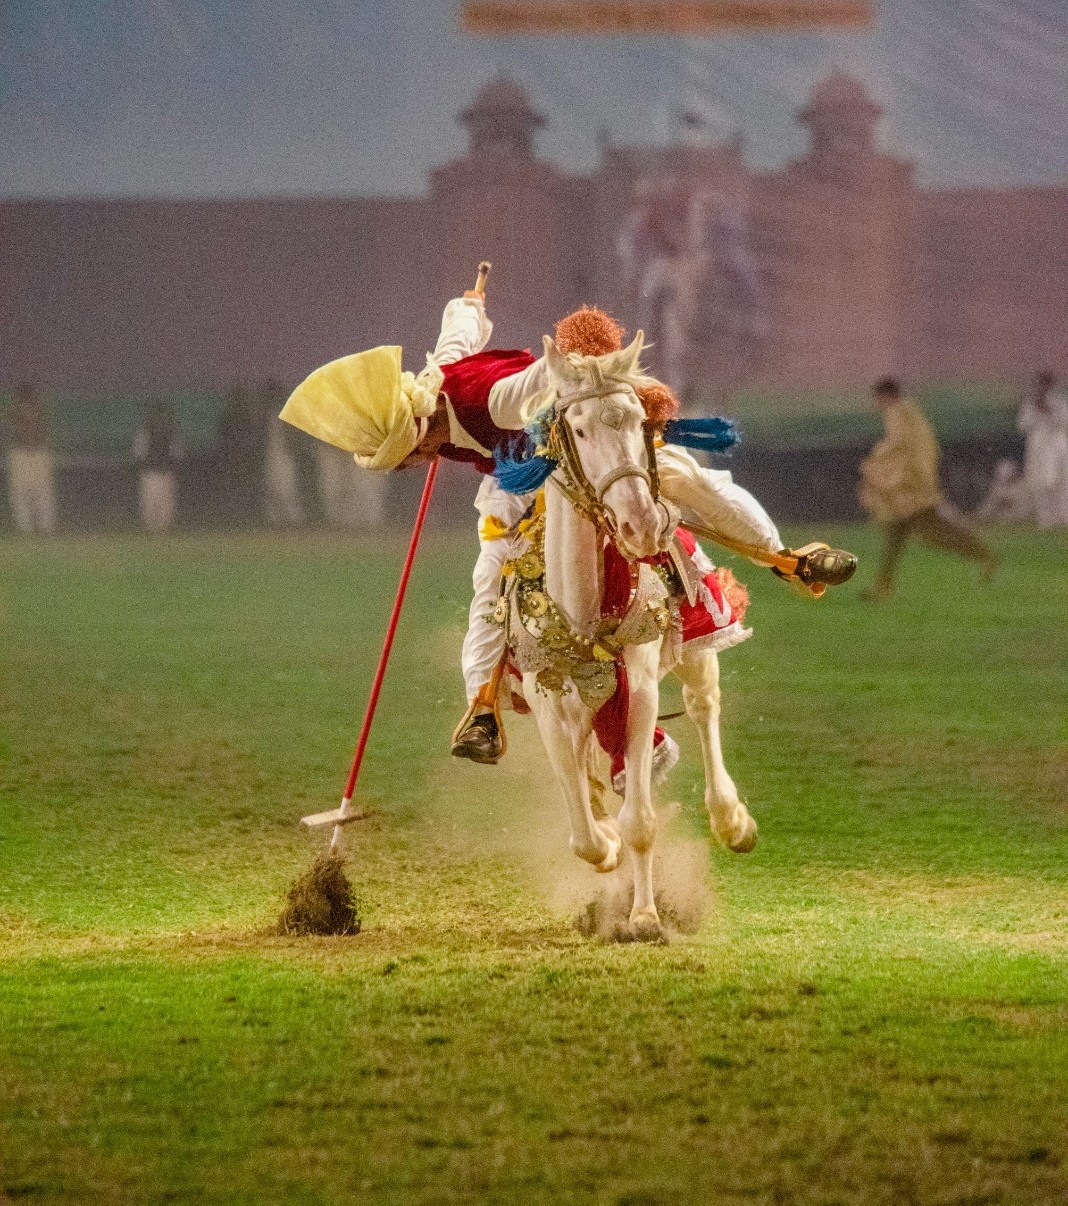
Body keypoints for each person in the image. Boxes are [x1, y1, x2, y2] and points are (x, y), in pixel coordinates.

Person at [282, 292, 852, 765]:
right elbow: (457, 336)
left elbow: (538, 377)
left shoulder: (494, 401)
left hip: (584, 439)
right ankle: (482, 706)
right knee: (489, 577)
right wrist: (468, 304)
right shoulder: (436, 380)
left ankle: (788, 559)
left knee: (688, 479)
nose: (412, 466)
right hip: (518, 476)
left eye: (407, 457)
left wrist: (577, 357)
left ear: (419, 429)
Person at [859, 377, 997, 600]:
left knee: (932, 532)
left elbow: (898, 442)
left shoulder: (897, 412)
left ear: (884, 396)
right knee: (897, 536)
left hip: (908, 490)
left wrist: (876, 457)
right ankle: (882, 587)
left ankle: (984, 555)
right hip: (913, 486)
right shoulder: (910, 410)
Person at [4, 383, 57, 535]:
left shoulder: (31, 410)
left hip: (32, 453)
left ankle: (36, 528)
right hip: (28, 453)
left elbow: (34, 423)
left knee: (34, 491)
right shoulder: (26, 410)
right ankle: (36, 528)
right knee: (32, 492)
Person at [1018, 370, 1068, 528]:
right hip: (1038, 447)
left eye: (1045, 383)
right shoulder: (1030, 404)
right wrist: (1037, 412)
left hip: (1057, 446)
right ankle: (1045, 519)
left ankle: (1063, 517)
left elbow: (1064, 422)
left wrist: (1049, 411)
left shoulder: (1060, 402)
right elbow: (1022, 425)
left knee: (1059, 482)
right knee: (1038, 483)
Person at [260, 379, 306, 528]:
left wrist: (292, 452)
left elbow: (292, 436)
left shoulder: (288, 411)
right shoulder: (269, 414)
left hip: (285, 455)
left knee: (287, 487)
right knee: (272, 487)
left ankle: (295, 520)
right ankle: (275, 520)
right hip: (273, 454)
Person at [133, 401, 182, 532]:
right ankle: (159, 529)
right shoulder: (167, 433)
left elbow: (138, 453)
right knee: (160, 503)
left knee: (154, 502)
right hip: (159, 472)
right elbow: (177, 454)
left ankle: (156, 529)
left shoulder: (148, 433)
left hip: (155, 472)